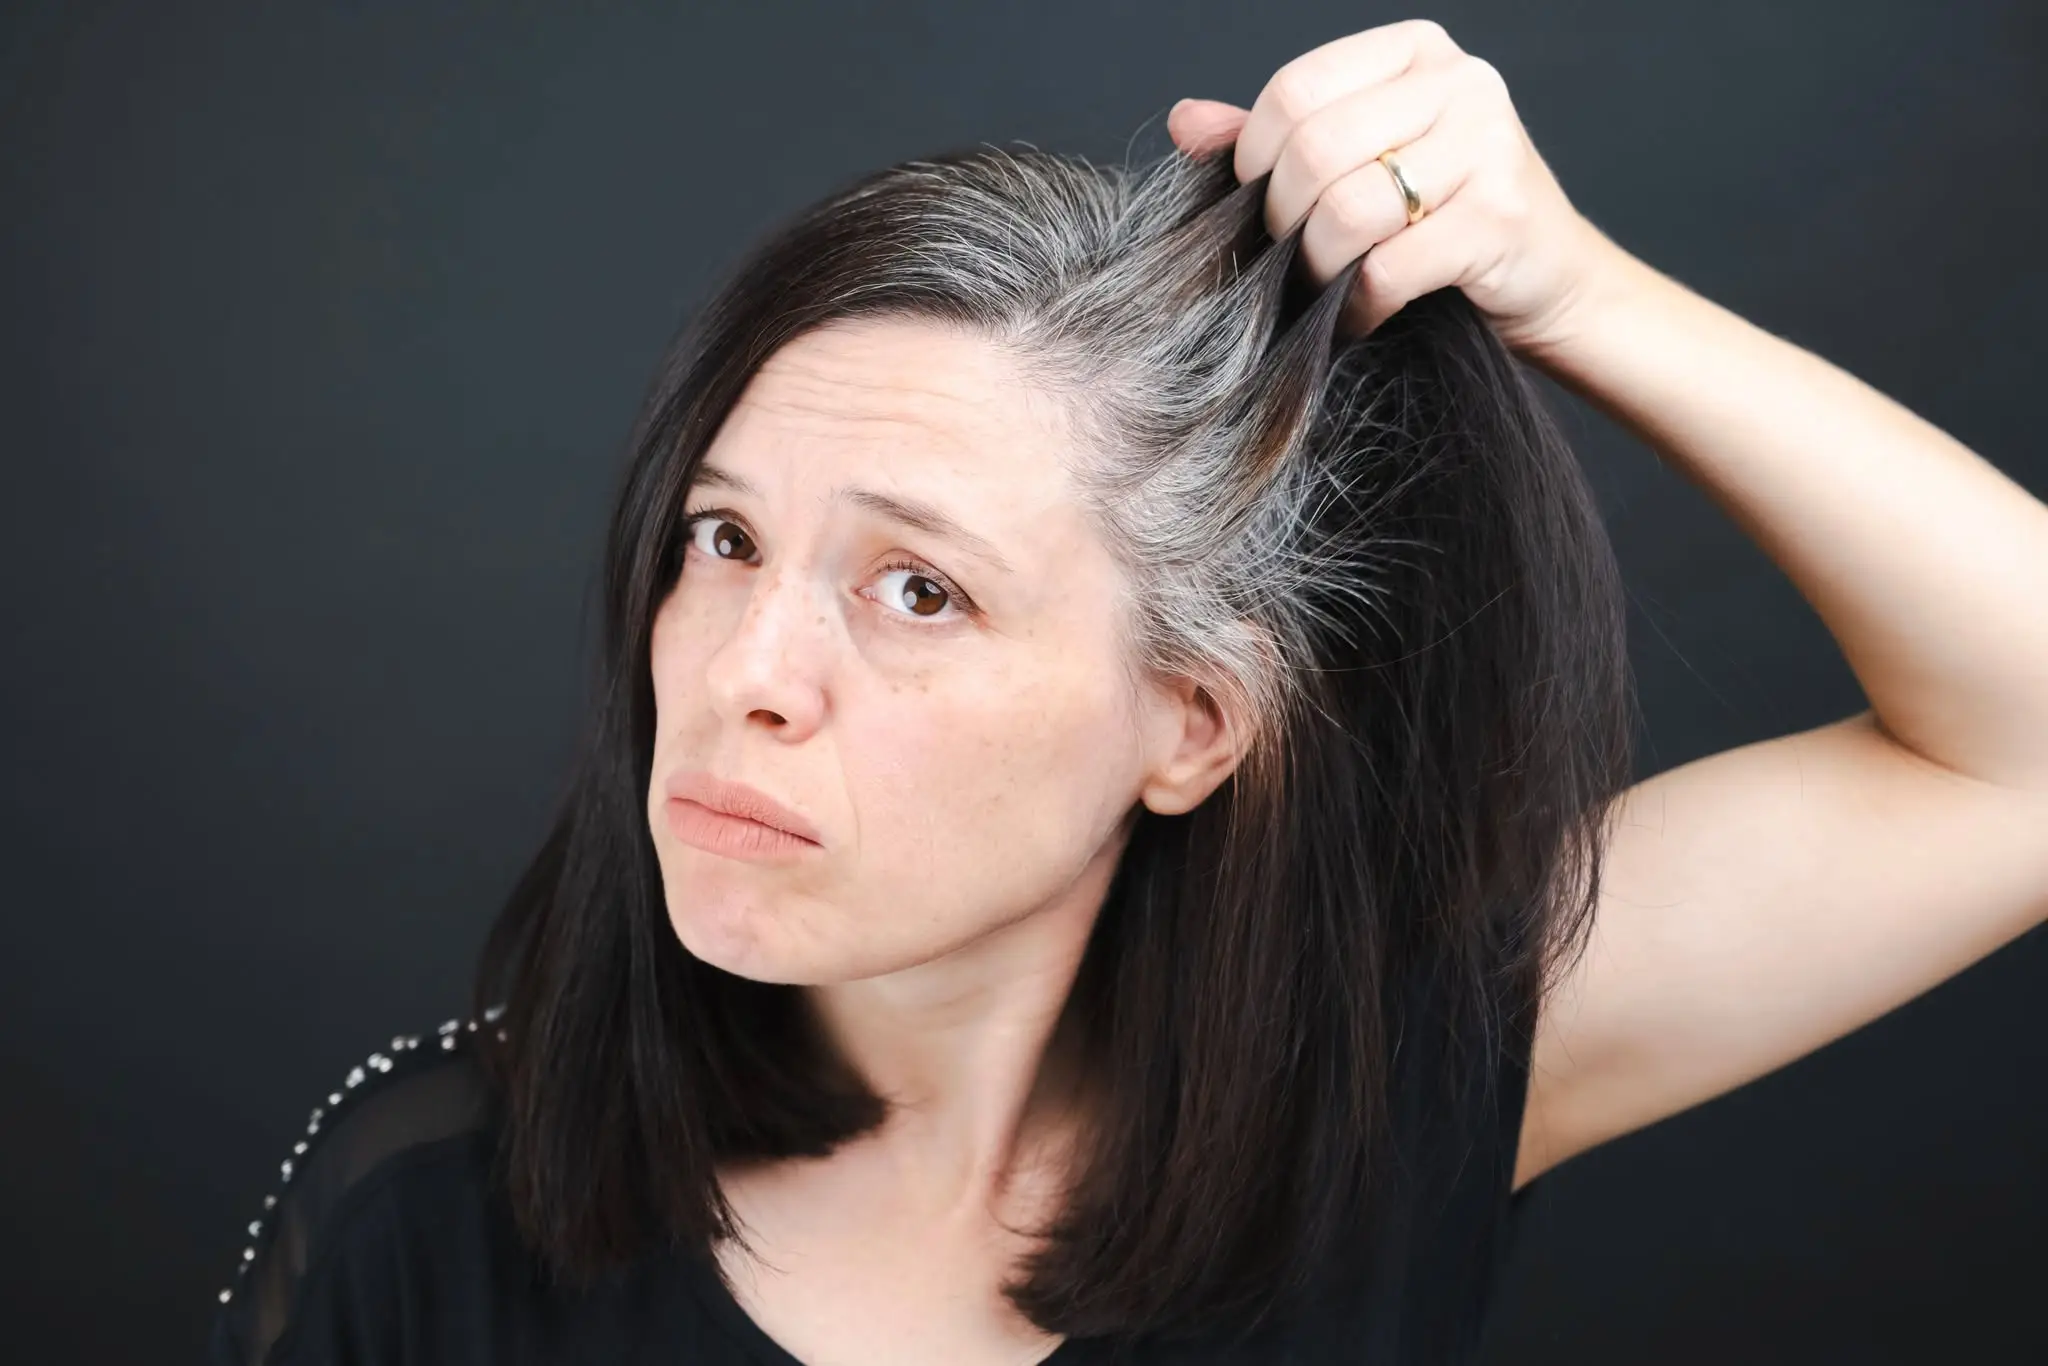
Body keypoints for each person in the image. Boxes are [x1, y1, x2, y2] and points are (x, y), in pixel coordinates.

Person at [208, 18, 2048, 1366]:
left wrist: (1574, 290)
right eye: (723, 539)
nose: (745, 676)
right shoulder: (428, 1224)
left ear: (1191, 722)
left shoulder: (1378, 1104)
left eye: (916, 589)